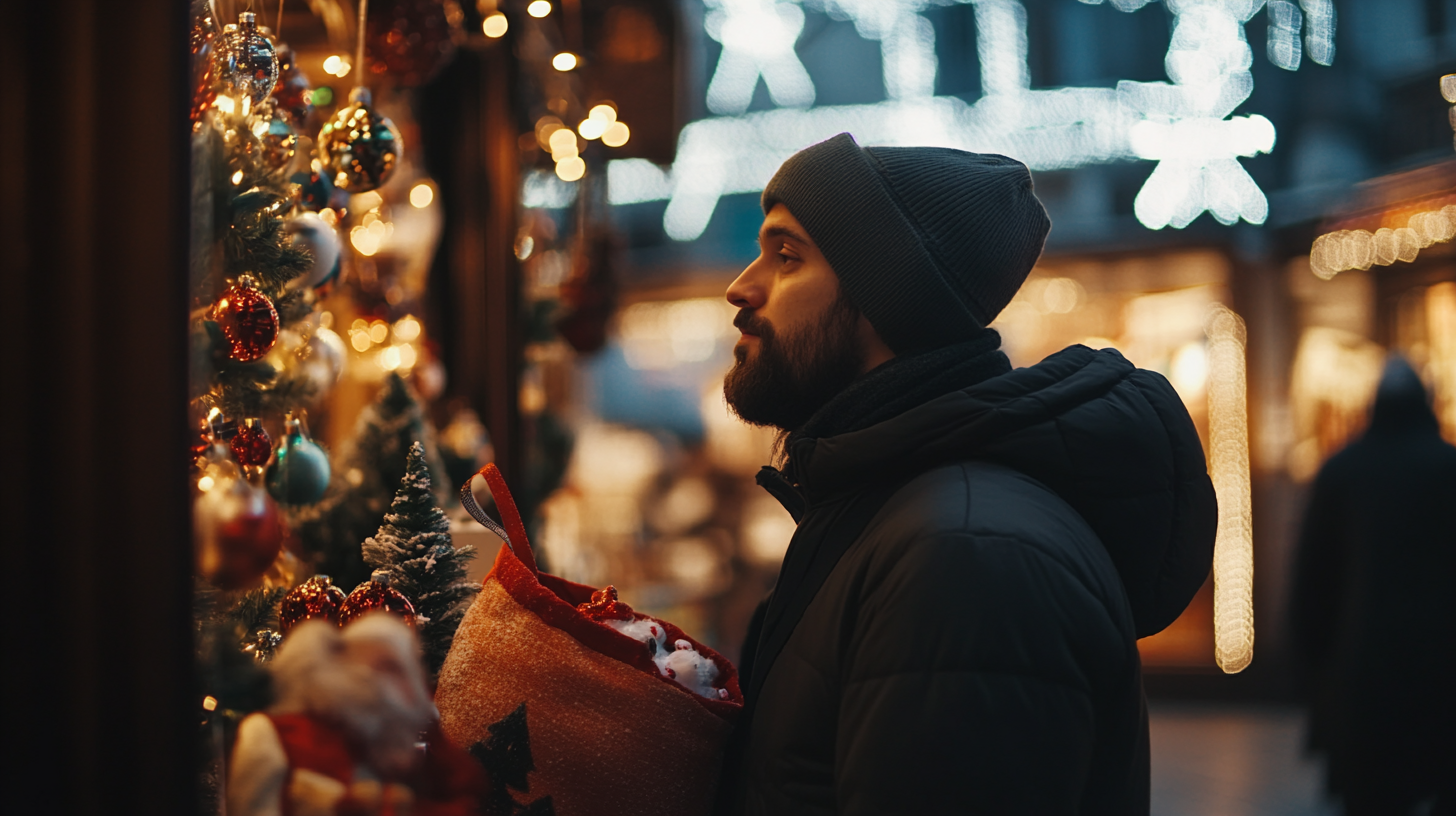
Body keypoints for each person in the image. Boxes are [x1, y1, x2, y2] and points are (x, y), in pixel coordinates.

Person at [717, 133, 1216, 815]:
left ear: (884, 299)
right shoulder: (890, 512)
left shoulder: (960, 555)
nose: (740, 287)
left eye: (786, 256)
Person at [1290, 357, 1456, 816]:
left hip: (1362, 670)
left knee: (1374, 796)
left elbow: (1312, 582)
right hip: (1443, 669)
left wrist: (1309, 670)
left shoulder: (1342, 471)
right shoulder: (1448, 468)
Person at [228, 613, 485, 816]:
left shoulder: (403, 745)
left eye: (397, 669)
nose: (380, 683)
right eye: (381, 667)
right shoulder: (273, 736)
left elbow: (467, 794)